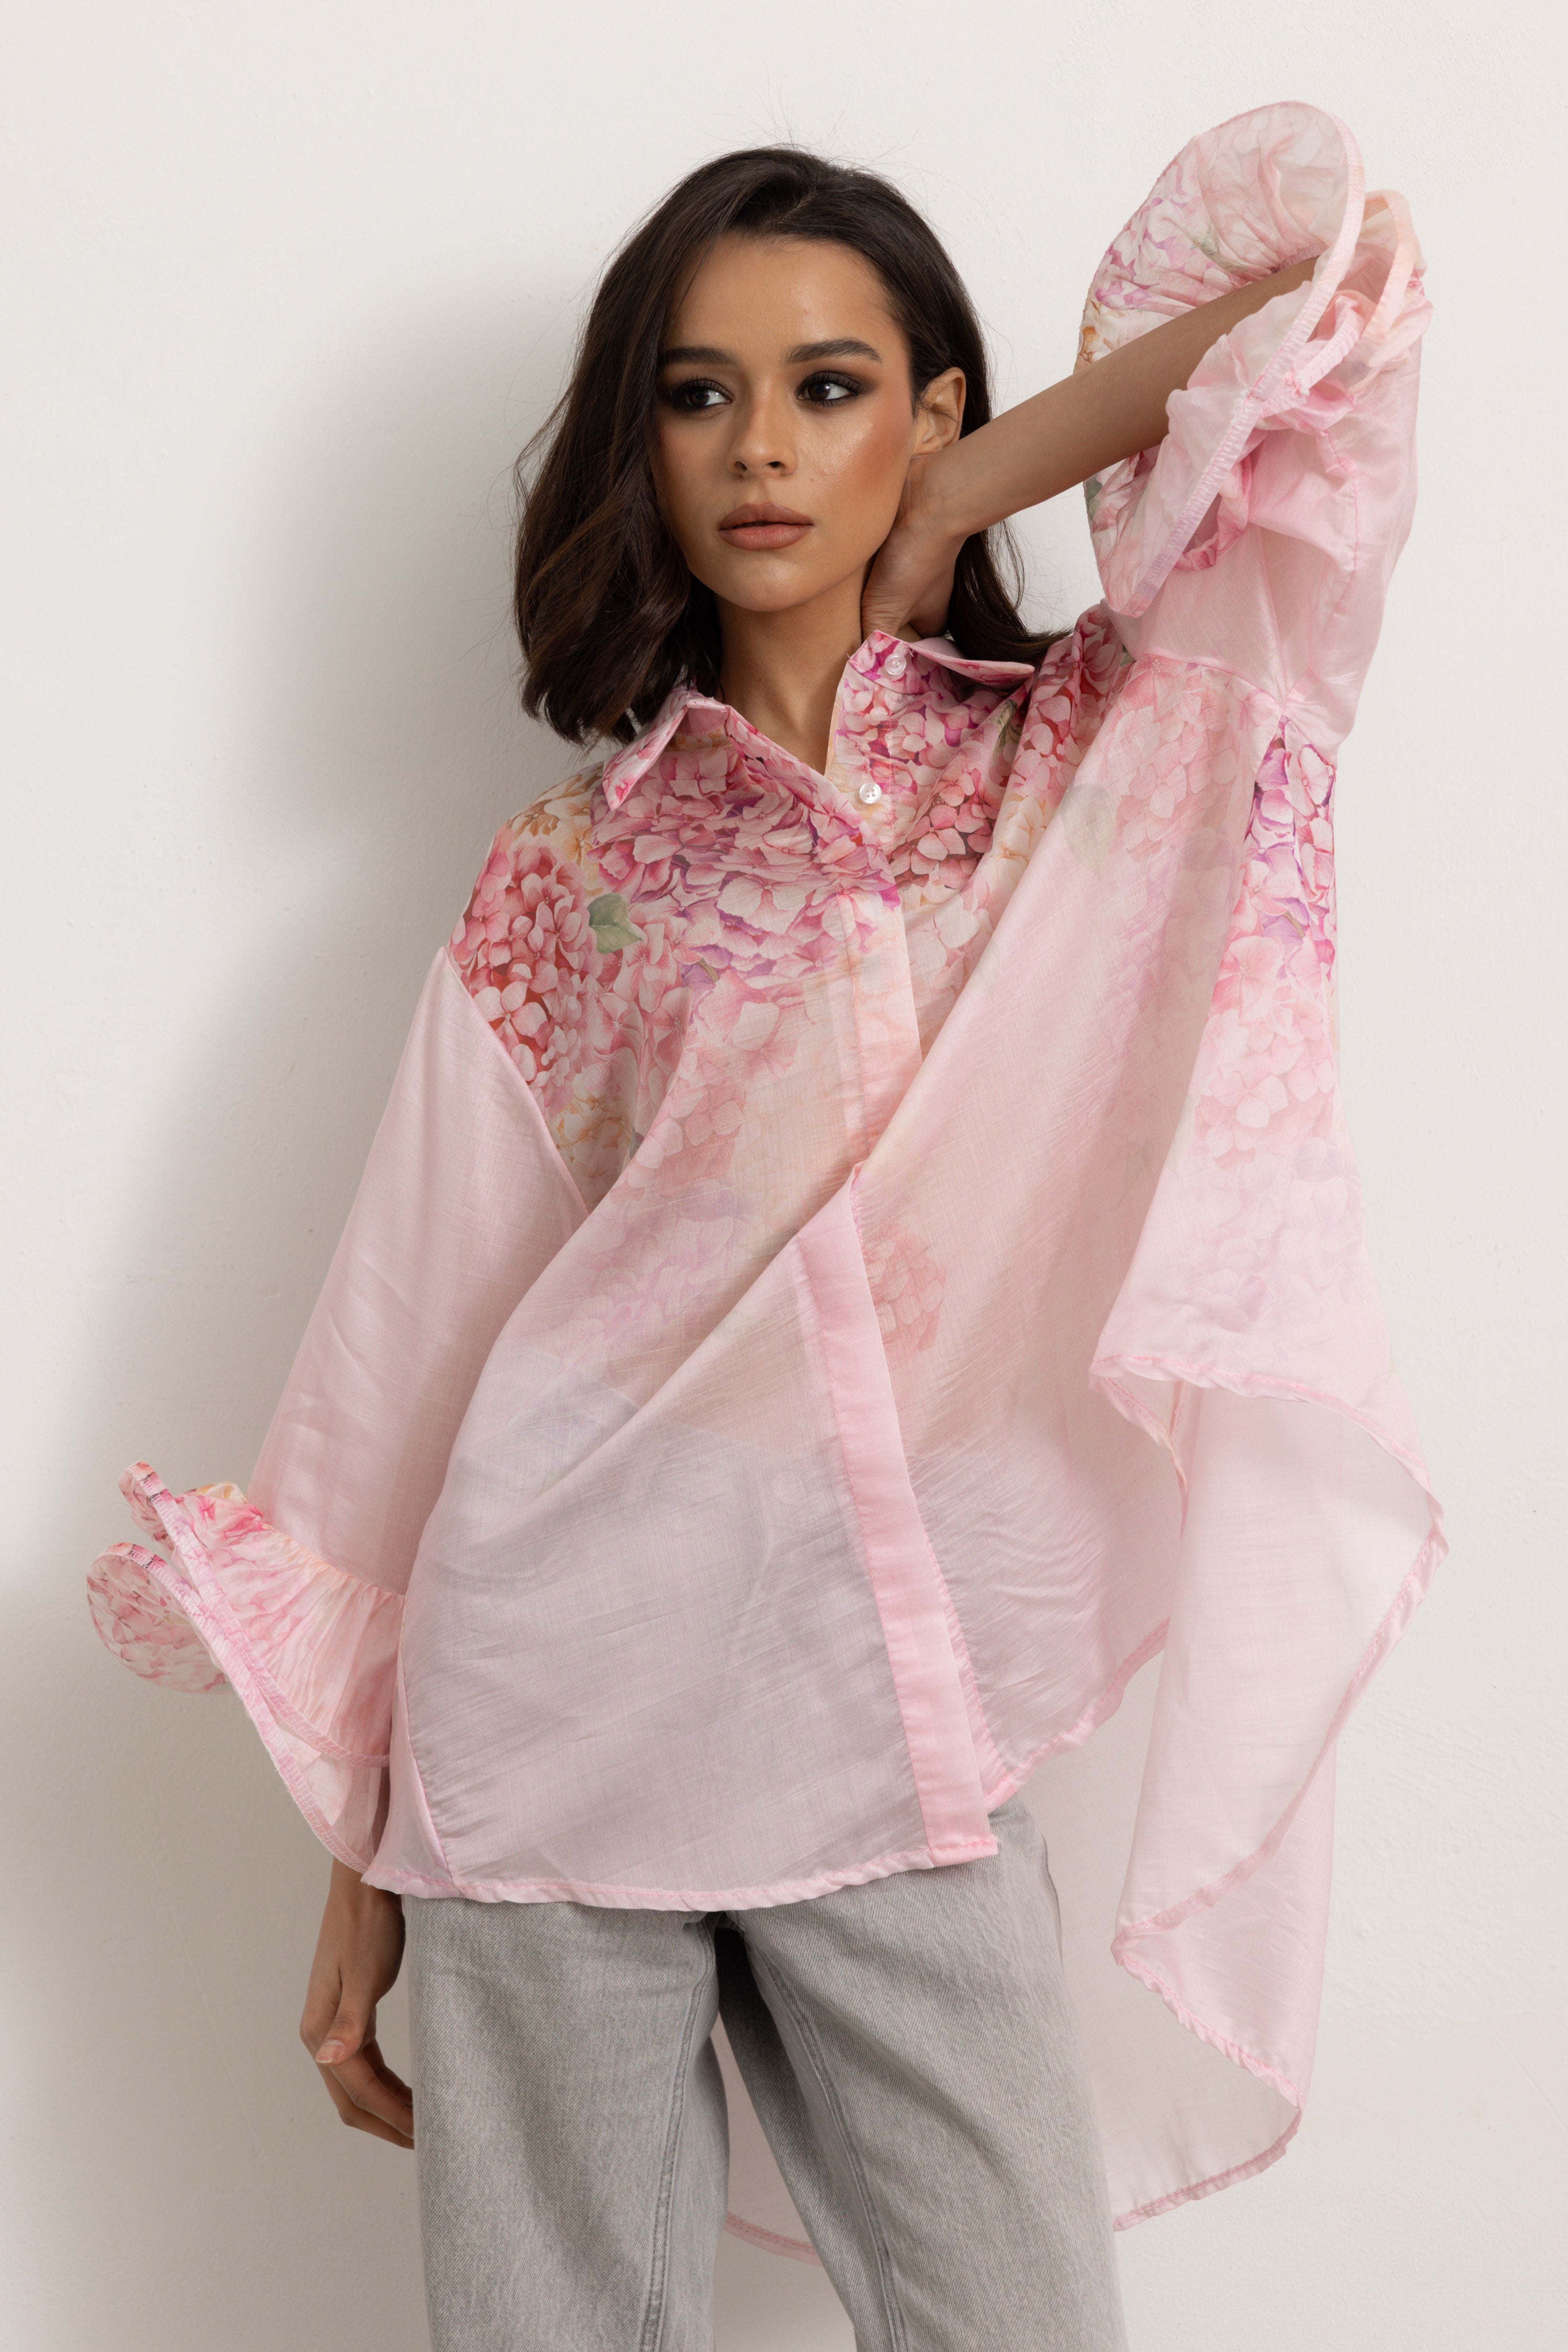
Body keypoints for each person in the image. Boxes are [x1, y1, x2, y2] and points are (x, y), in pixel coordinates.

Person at [89, 102, 1439, 2351]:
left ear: (927, 407)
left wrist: (967, 498)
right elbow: (413, 1352)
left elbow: (1348, 294)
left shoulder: (1090, 754)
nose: (760, 447)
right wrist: (366, 1849)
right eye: (698, 392)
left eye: (828, 385)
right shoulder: (576, 876)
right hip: (547, 1718)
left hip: (888, 1740)